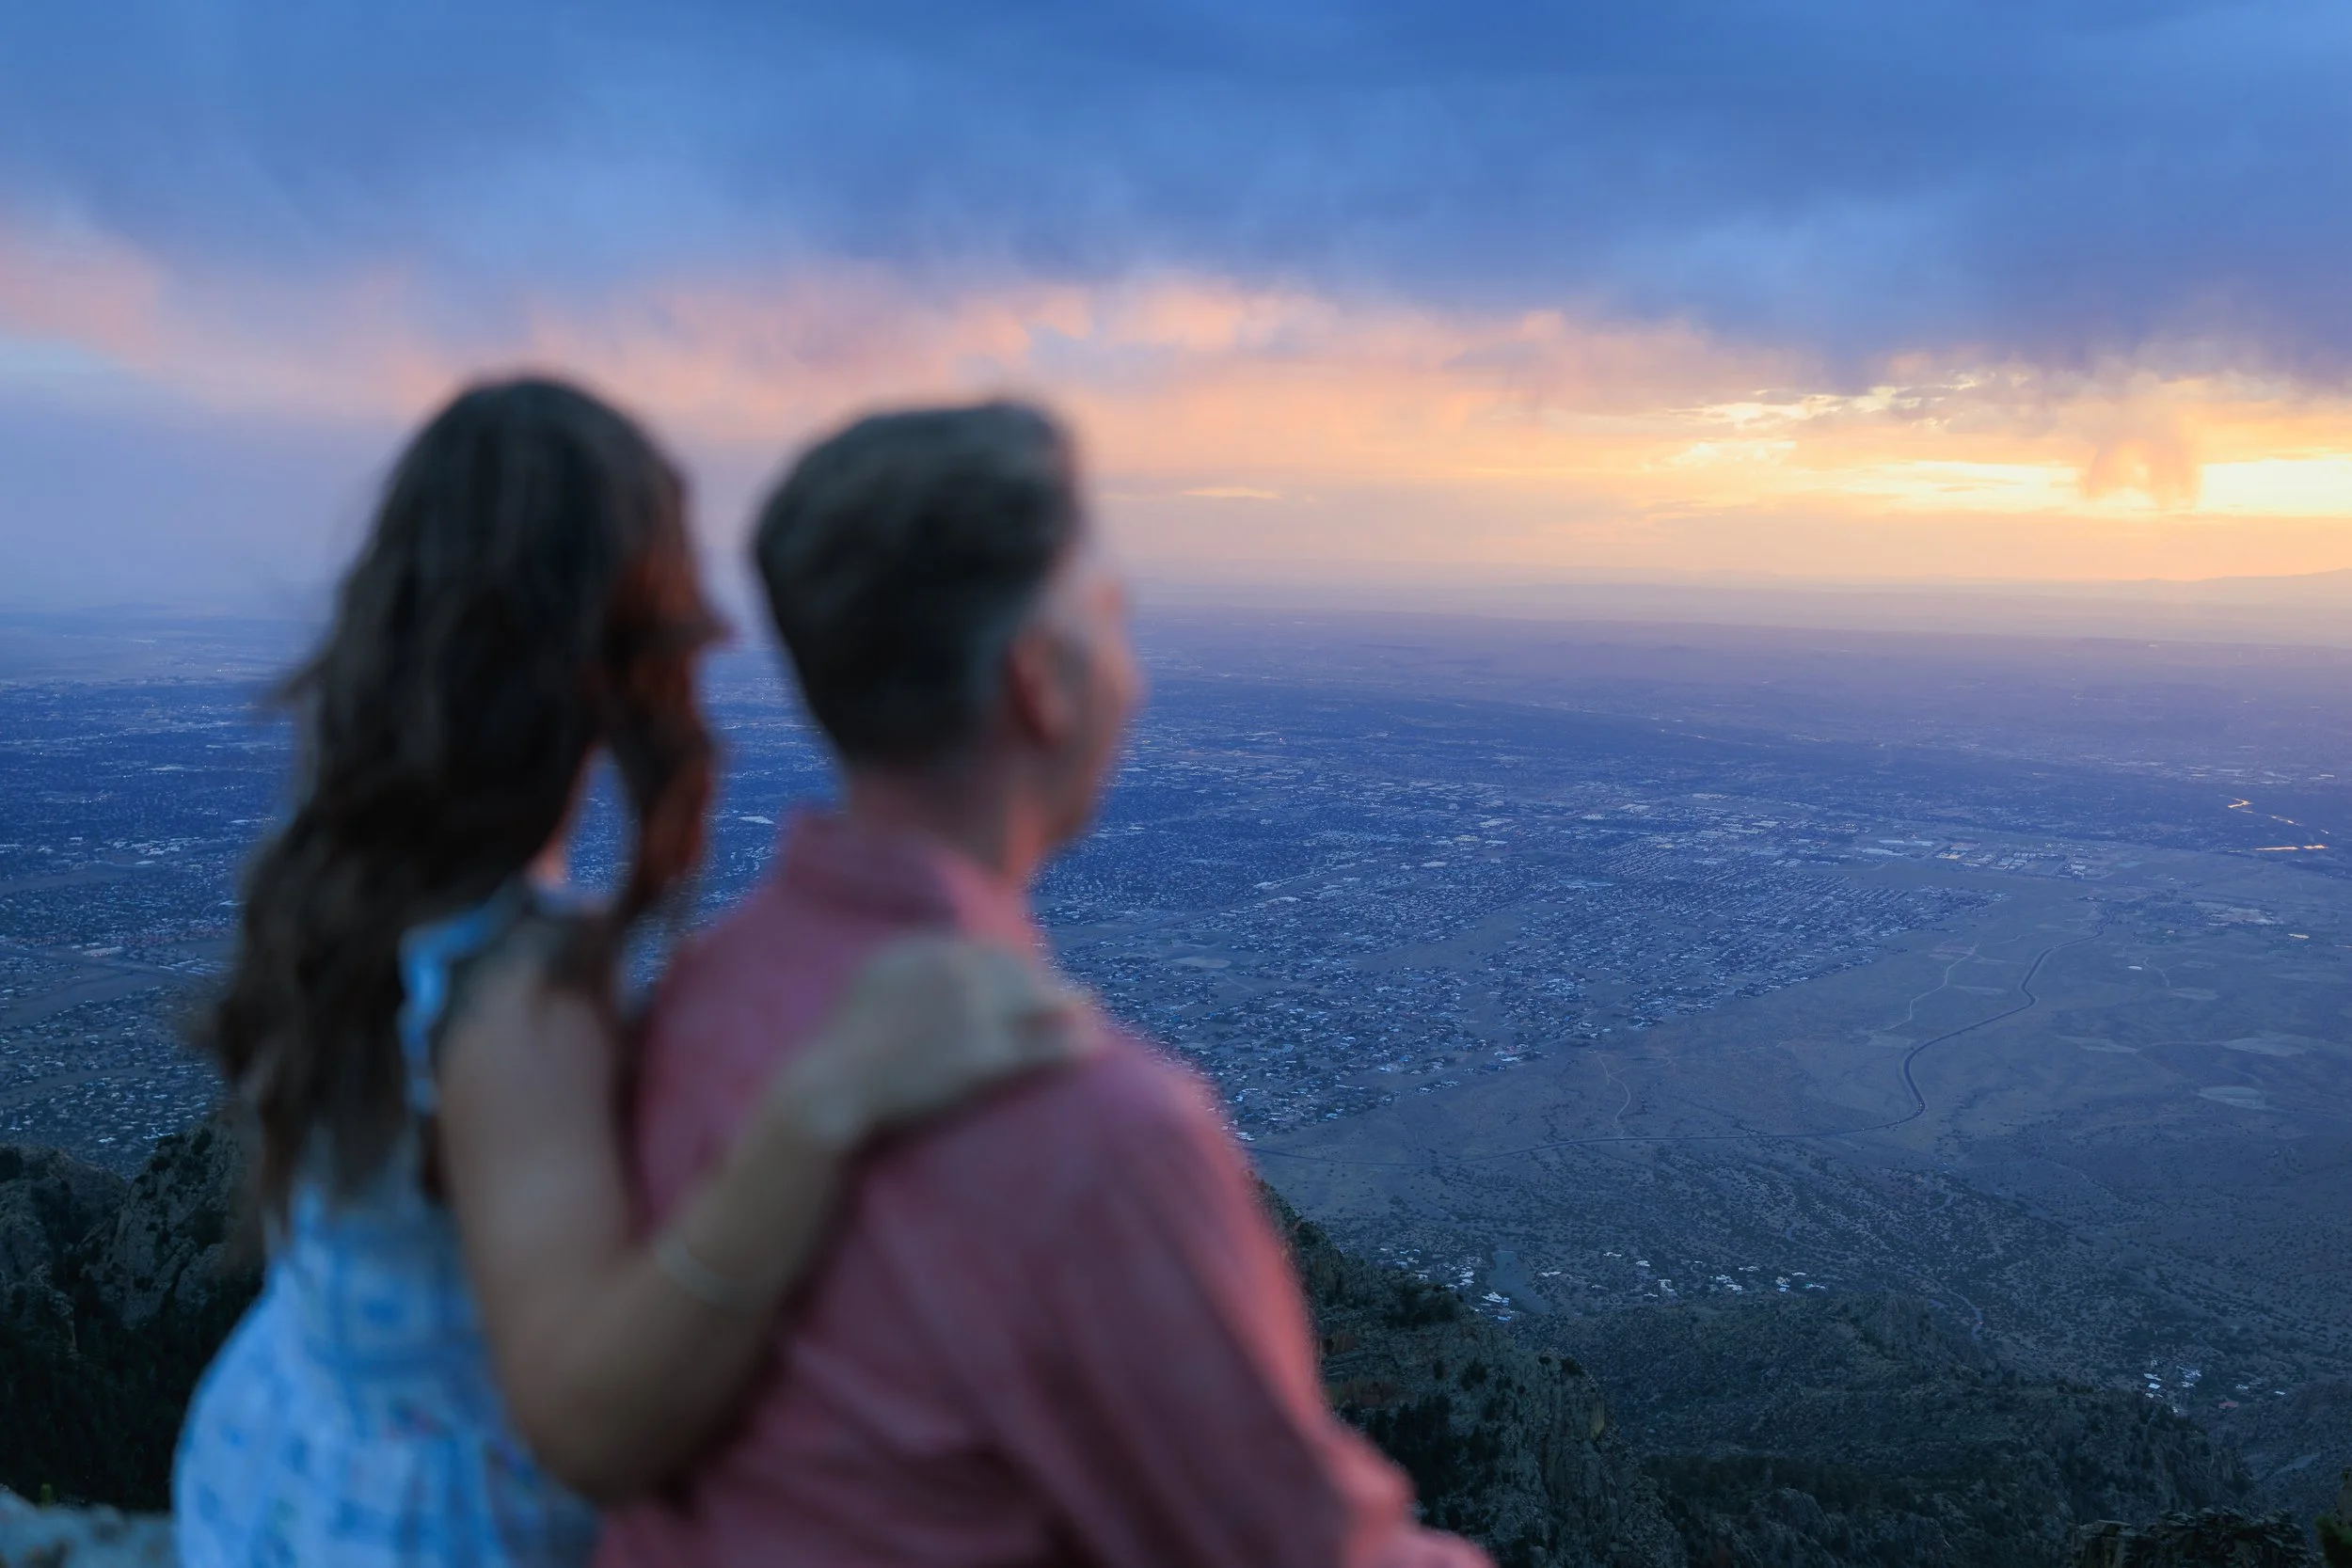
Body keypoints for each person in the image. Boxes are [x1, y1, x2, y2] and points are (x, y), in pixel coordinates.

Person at [172, 379, 1090, 1567]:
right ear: (625, 641)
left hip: (277, 1478)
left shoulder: (339, 886)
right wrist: (819, 1106)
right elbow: (584, 1423)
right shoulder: (511, 987)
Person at [600, 401, 1487, 1566]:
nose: (1133, 669)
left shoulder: (692, 997)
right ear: (1037, 680)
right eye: (1108, 613)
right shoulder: (1101, 1127)